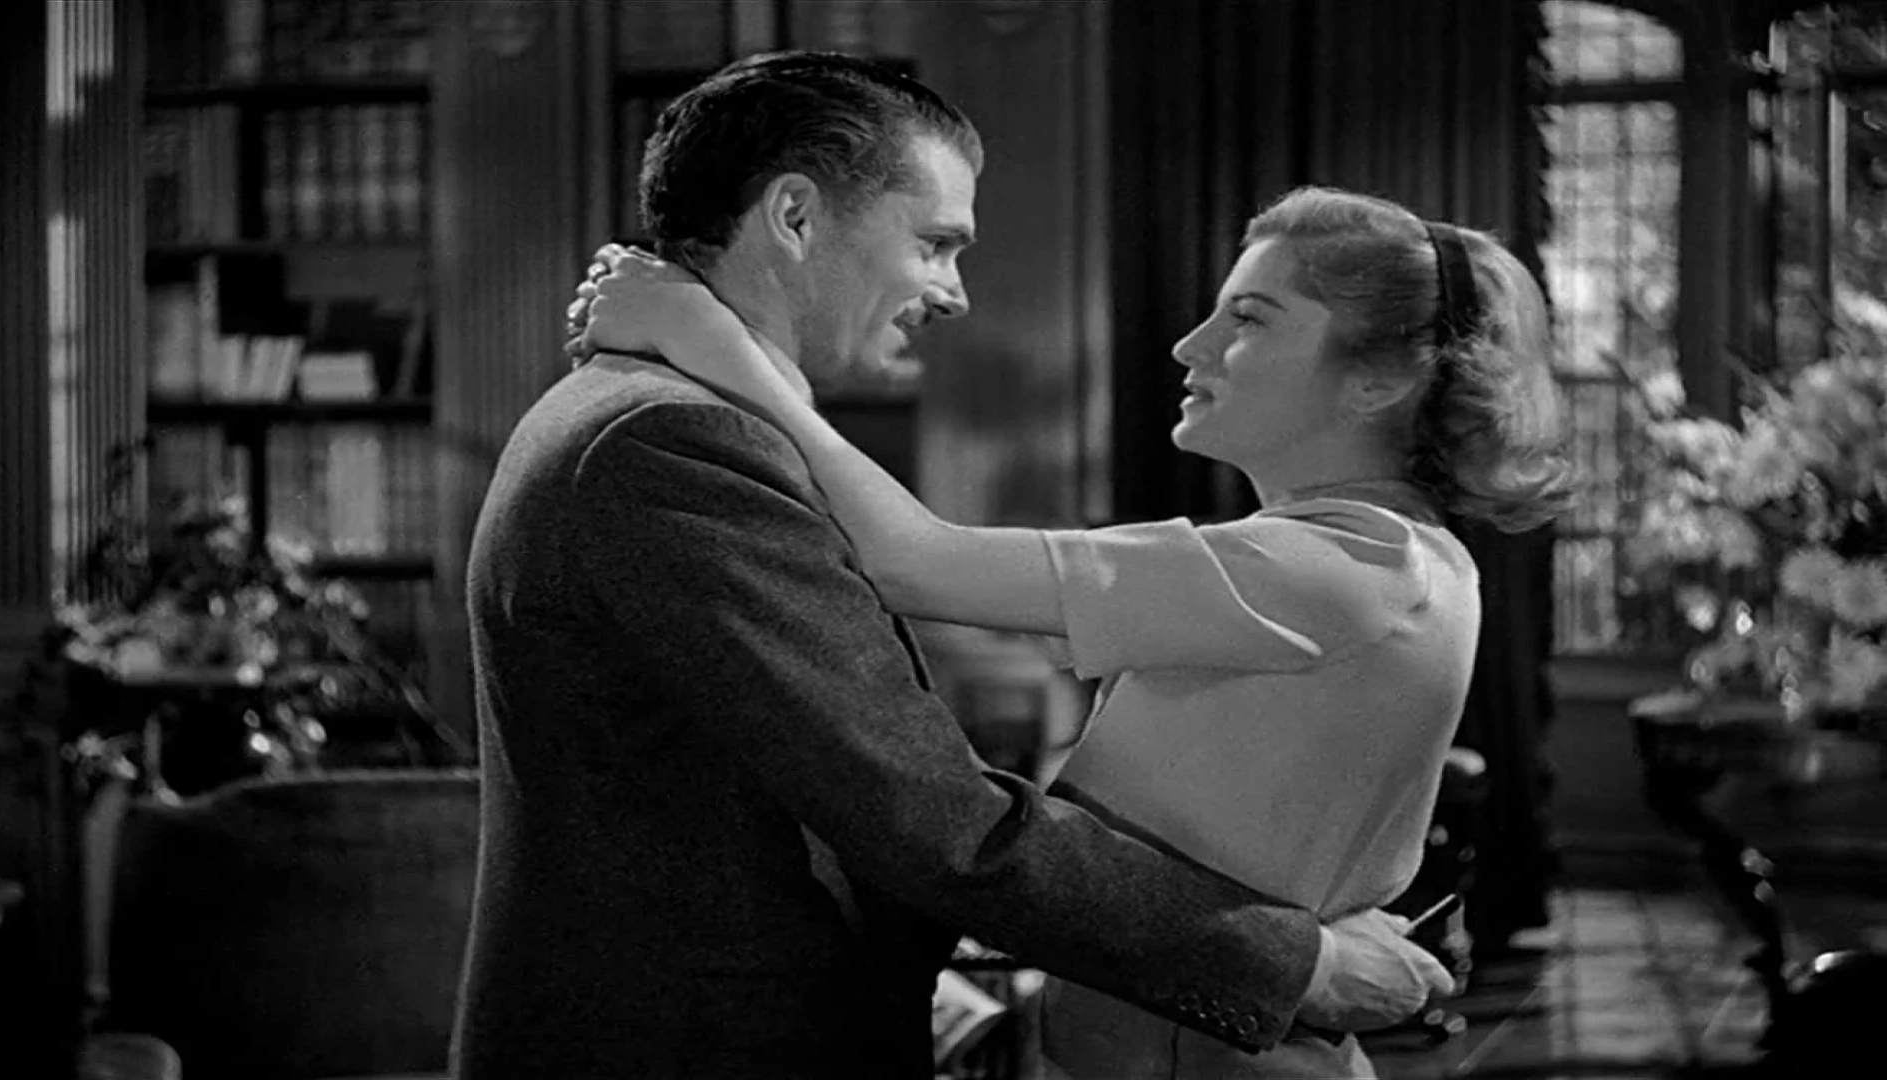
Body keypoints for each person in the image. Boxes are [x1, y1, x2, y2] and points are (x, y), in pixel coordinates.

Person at [457, 51, 1452, 1079]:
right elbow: (930, 817)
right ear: (794, 217)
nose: (955, 295)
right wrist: (1293, 964)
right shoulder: (674, 443)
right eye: (935, 244)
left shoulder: (657, 413)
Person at [572, 183, 1572, 1078]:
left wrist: (705, 337)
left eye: (1248, 318)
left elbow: (910, 560)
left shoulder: (1337, 569)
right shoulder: (1404, 560)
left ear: (1378, 380)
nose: (1190, 345)